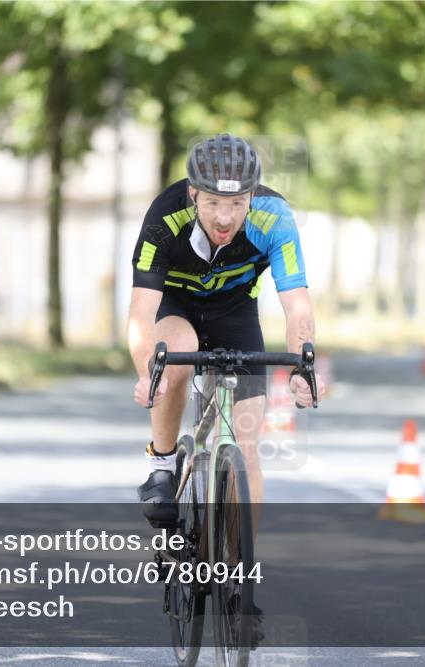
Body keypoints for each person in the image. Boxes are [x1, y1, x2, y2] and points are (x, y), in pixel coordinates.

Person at [127, 133, 322, 529]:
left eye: (236, 204)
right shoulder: (164, 217)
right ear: (194, 194)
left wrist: (303, 367)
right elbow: (140, 313)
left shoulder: (276, 217)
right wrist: (148, 374)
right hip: (176, 308)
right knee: (175, 359)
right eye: (214, 202)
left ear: (251, 197)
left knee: (245, 447)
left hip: (236, 315)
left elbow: (296, 302)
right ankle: (163, 464)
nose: (224, 217)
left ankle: (239, 569)